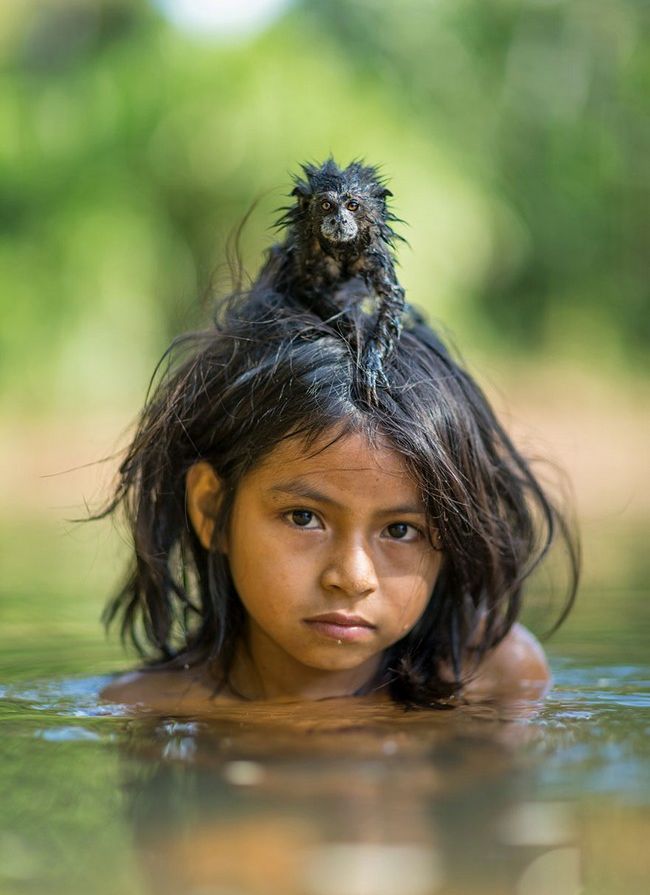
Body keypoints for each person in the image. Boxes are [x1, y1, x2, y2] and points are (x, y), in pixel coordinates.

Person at [99, 278, 579, 710]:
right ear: (212, 508)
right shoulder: (150, 709)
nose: (352, 578)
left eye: (400, 530)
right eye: (304, 518)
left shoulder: (492, 681)